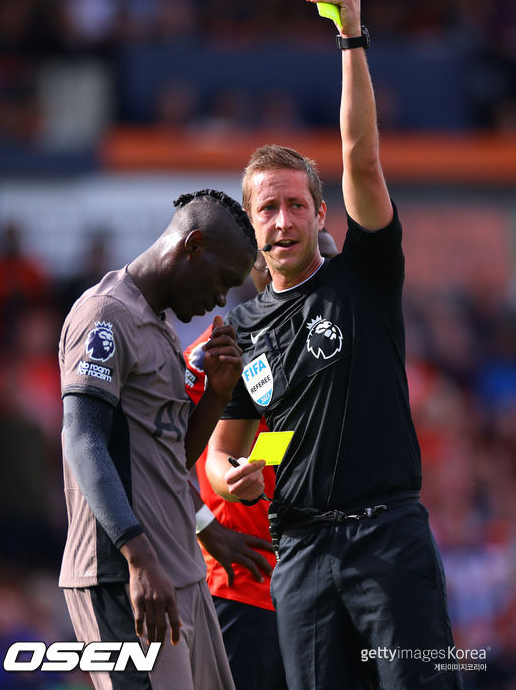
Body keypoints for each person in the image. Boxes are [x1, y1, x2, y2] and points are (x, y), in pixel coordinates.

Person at [205, 0, 463, 690]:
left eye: (295, 205)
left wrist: (351, 35)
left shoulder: (365, 276)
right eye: (267, 210)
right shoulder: (244, 326)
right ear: (251, 226)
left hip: (388, 538)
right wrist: (236, 476)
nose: (282, 220)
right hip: (301, 553)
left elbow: (362, 158)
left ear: (322, 214)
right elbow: (227, 448)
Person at [58, 189, 257, 690]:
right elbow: (83, 440)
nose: (220, 298)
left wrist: (217, 395)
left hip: (180, 571)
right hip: (125, 575)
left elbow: (167, 458)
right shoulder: (104, 315)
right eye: (222, 281)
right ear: (193, 245)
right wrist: (138, 558)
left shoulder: (161, 329)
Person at [185, 229, 338, 690]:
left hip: (319, 588)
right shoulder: (212, 353)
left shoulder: (333, 353)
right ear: (261, 270)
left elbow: (279, 446)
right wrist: (202, 525)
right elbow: (147, 456)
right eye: (312, 259)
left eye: (330, 262)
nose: (324, 275)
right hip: (242, 587)